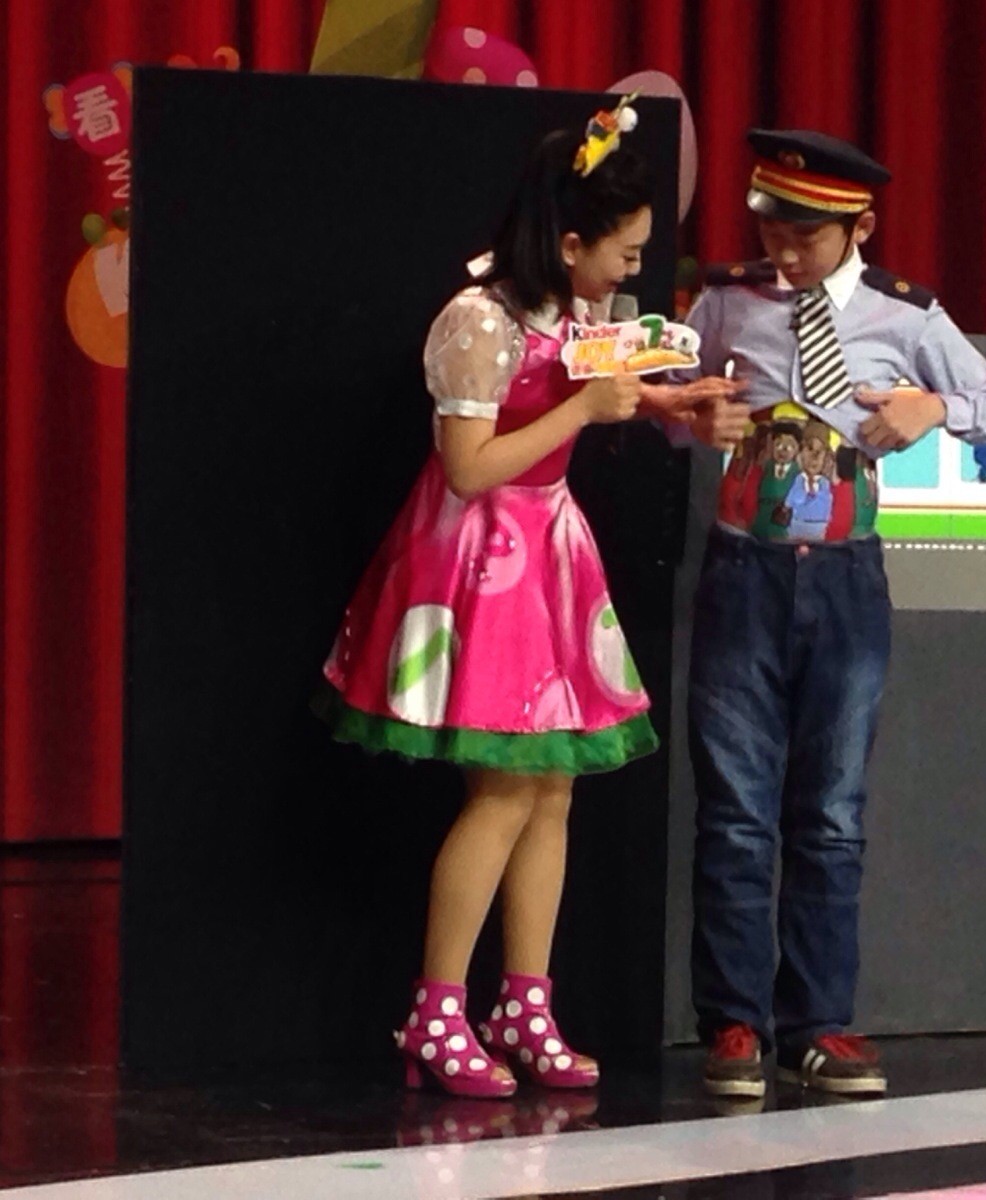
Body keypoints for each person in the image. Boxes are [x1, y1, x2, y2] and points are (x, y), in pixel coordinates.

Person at [315, 97, 738, 1098]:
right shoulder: (478, 321)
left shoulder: (574, 315)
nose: (634, 270)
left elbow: (583, 389)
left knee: (553, 787)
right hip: (481, 560)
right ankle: (436, 1013)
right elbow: (468, 468)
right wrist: (585, 410)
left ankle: (524, 1003)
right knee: (504, 790)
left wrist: (668, 403)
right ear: (571, 241)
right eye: (625, 252)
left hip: (548, 550)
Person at [677, 128, 986, 1098]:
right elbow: (670, 393)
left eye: (806, 238)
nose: (784, 254)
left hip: (846, 581)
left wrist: (931, 410)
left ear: (859, 226)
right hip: (743, 573)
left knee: (829, 811)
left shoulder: (905, 314)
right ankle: (733, 1023)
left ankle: (818, 1022)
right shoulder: (728, 300)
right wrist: (687, 415)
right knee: (736, 810)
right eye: (771, 232)